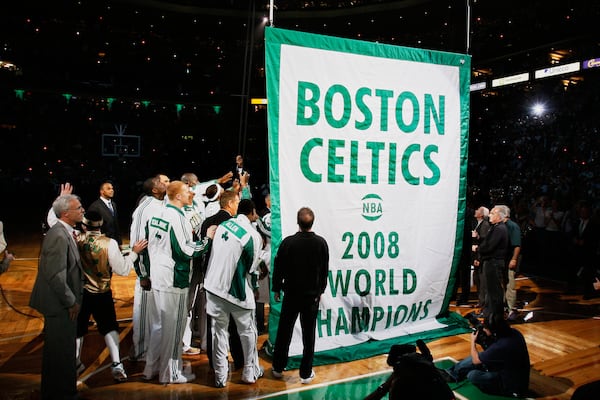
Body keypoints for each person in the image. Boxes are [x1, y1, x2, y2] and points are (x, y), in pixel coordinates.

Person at [143, 181, 216, 384]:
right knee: (173, 330)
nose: (190, 193)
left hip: (158, 276)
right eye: (186, 191)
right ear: (177, 196)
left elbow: (149, 246)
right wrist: (207, 240)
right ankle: (170, 373)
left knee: (159, 327)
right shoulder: (178, 218)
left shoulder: (156, 214)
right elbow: (185, 251)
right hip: (174, 279)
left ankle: (151, 368)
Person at [75, 211, 148, 382]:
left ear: (84, 225)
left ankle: (75, 363)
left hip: (82, 291)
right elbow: (122, 269)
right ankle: (116, 364)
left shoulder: (76, 239)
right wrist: (134, 253)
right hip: (102, 292)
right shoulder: (109, 243)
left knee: (78, 329)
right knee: (109, 327)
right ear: (101, 225)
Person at [29, 194, 85, 400]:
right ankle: (62, 393)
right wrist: (71, 301)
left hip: (61, 303)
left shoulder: (65, 231)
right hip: (59, 304)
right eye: (78, 208)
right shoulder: (59, 236)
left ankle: (56, 391)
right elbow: (56, 275)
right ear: (66, 213)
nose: (82, 211)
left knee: (60, 350)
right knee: (61, 352)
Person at [204, 198, 264, 387]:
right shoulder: (253, 236)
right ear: (253, 212)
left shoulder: (223, 225)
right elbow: (252, 269)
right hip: (236, 292)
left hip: (213, 288)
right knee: (247, 332)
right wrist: (254, 288)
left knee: (218, 332)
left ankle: (220, 376)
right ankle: (249, 371)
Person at [271, 207, 329, 384]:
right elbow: (324, 270)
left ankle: (278, 367)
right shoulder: (321, 243)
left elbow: (278, 266)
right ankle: (305, 372)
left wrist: (276, 288)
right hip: (311, 297)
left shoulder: (288, 242)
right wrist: (320, 291)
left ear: (298, 222)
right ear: (313, 222)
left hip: (291, 295)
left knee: (284, 332)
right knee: (308, 334)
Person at [200, 190, 245, 370]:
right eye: (238, 202)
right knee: (235, 323)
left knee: (215, 324)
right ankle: (239, 360)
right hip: (230, 280)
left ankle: (215, 362)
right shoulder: (234, 225)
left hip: (211, 279)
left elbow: (202, 250)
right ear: (231, 203)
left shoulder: (206, 222)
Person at [445, 313, 530, 397]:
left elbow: (476, 361)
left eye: (486, 328)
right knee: (482, 356)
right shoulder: (515, 332)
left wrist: (473, 342)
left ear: (493, 330)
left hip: (512, 386)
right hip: (514, 372)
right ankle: (452, 373)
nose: (484, 330)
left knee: (473, 375)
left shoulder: (501, 346)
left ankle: (496, 387)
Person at [129, 175, 167, 362]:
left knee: (158, 315)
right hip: (148, 272)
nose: (167, 184)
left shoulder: (165, 204)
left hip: (162, 271)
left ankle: (154, 351)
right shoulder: (144, 208)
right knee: (144, 313)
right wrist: (142, 273)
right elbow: (137, 242)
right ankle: (140, 351)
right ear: (154, 189)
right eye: (163, 182)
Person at [475, 206, 508, 317]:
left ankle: (494, 314)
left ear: (499, 216)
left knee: (494, 290)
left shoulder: (499, 229)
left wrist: (478, 249)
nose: (489, 215)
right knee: (490, 290)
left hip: (494, 262)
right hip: (491, 262)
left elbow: (489, 246)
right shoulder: (496, 227)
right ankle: (489, 313)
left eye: (492, 213)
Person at [497, 205, 522, 320]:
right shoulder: (501, 225)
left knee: (510, 284)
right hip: (502, 259)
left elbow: (517, 245)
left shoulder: (513, 226)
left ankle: (511, 308)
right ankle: (504, 306)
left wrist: (514, 259)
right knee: (503, 283)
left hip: (510, 259)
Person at [88, 181, 122, 245]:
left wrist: (119, 242)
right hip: (103, 244)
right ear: (102, 191)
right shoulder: (95, 206)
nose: (112, 190)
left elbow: (116, 225)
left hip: (115, 243)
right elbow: (92, 228)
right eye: (108, 189)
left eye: (112, 188)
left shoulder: (113, 204)